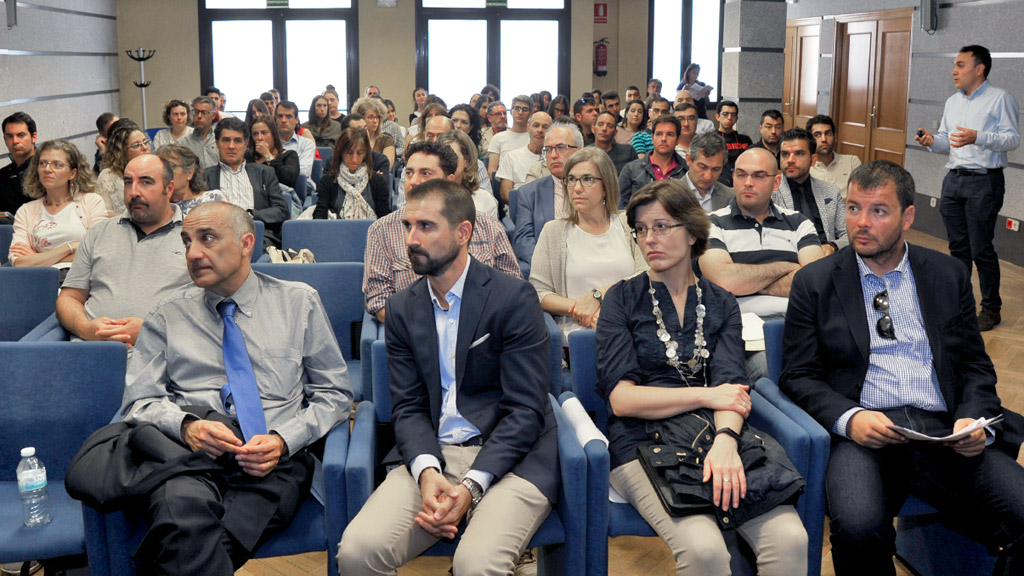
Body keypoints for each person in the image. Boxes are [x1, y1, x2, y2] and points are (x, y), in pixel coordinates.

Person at [780, 160, 1024, 576]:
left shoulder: (946, 274)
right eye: (854, 208)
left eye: (878, 211)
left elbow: (974, 364)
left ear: (908, 216)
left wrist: (973, 418)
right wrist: (850, 418)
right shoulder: (816, 282)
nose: (861, 222)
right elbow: (797, 375)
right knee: (857, 528)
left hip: (944, 432)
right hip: (863, 436)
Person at [116, 200, 352, 575]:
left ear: (246, 243)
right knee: (181, 516)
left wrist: (283, 439)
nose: (193, 253)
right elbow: (139, 401)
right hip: (190, 458)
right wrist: (186, 427)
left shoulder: (297, 303)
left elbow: (336, 394)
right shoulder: (167, 315)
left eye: (207, 238)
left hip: (274, 461)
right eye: (187, 241)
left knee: (194, 541)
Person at [338, 178, 558, 576]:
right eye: (408, 226)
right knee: (358, 551)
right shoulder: (403, 308)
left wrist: (472, 486)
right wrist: (426, 471)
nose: (411, 239)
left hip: (512, 456)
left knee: (476, 565)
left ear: (463, 232)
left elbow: (526, 410)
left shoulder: (512, 297)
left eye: (426, 226)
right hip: (435, 453)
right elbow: (408, 406)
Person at [596, 179, 808, 576]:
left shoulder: (721, 302)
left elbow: (732, 387)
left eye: (662, 226)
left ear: (692, 232)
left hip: (716, 434)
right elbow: (623, 400)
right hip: (641, 441)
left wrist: (727, 441)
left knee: (789, 539)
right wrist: (706, 397)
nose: (649, 239)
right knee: (705, 551)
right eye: (641, 229)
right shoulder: (621, 299)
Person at [915, 44, 1019, 331]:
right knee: (958, 247)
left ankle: (991, 309)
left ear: (979, 68)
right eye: (954, 65)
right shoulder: (953, 102)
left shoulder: (1001, 99)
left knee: (981, 248)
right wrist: (931, 141)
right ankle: (960, 305)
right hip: (954, 180)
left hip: (984, 181)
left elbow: (1012, 140)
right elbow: (947, 140)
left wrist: (979, 136)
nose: (954, 71)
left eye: (960, 65)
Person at [363, 141, 519, 323]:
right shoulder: (382, 230)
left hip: (482, 331)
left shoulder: (488, 227)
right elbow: (379, 302)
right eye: (409, 173)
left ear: (449, 181)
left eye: (425, 173)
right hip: (415, 334)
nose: (414, 182)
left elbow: (511, 287)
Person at [56, 154, 191, 346]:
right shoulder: (99, 233)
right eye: (128, 182)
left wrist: (153, 331)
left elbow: (212, 310)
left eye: (146, 182)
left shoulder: (194, 237)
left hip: (163, 353)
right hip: (92, 352)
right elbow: (69, 298)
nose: (134, 192)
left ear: (169, 189)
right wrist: (85, 328)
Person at [530, 147, 647, 340]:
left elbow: (646, 276)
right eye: (571, 179)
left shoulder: (629, 223)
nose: (576, 188)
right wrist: (582, 309)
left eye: (587, 179)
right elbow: (539, 292)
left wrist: (599, 296)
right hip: (579, 337)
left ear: (606, 186)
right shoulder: (554, 231)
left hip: (631, 331)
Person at [8, 140, 105, 277]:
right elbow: (19, 262)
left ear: (72, 173)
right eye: (42, 163)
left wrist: (39, 257)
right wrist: (70, 247)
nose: (47, 169)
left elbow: (99, 251)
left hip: (84, 277)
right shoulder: (26, 211)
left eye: (57, 165)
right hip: (42, 279)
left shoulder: (91, 201)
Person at [205, 117, 289, 249]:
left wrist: (250, 215)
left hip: (258, 238)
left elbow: (281, 211)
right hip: (217, 240)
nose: (231, 146)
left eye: (237, 141)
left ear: (246, 144)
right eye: (226, 140)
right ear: (217, 143)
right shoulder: (205, 176)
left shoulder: (265, 173)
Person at [512, 123, 583, 274]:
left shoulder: (596, 188)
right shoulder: (529, 193)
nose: (553, 155)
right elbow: (523, 241)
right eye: (548, 149)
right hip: (547, 269)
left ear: (579, 152)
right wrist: (549, 267)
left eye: (561, 147)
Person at [772, 128, 847, 256]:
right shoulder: (770, 192)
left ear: (813, 160)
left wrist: (832, 246)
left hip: (827, 259)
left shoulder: (831, 191)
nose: (790, 160)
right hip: (788, 261)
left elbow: (848, 234)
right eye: (785, 154)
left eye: (799, 153)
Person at [313, 127, 390, 220]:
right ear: (341, 152)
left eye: (360, 153)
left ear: (366, 154)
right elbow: (320, 215)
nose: (354, 159)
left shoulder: (378, 181)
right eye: (349, 153)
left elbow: (384, 218)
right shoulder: (327, 181)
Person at [619, 114, 687, 209]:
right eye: (659, 134)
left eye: (670, 134)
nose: (663, 139)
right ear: (652, 138)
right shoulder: (631, 169)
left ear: (678, 140)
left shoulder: (686, 171)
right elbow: (621, 207)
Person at [437, 129, 498, 220]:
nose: (446, 162)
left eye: (452, 156)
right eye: (441, 157)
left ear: (467, 161)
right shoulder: (425, 196)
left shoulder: (484, 201)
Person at [156, 144, 226, 216]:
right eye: (161, 168)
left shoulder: (212, 198)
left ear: (189, 173)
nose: (165, 172)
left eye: (171, 167)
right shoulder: (156, 206)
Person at [97, 126, 152, 215]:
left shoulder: (155, 170)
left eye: (145, 142)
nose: (145, 147)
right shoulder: (108, 176)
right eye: (136, 145)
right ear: (122, 151)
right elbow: (105, 213)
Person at [497, 112, 551, 203]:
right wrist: (525, 206)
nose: (540, 130)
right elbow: (505, 193)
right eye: (536, 125)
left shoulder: (554, 159)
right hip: (518, 207)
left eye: (545, 127)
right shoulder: (511, 157)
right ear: (528, 128)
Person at [806, 114, 860, 197]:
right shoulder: (805, 167)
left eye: (828, 134)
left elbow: (860, 195)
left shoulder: (852, 162)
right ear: (810, 140)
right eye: (817, 135)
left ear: (835, 137)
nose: (824, 139)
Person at [680, 131, 733, 213]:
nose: (708, 176)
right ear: (689, 160)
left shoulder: (730, 197)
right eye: (702, 167)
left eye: (716, 169)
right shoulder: (668, 195)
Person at [247, 115, 299, 190]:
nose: (259, 138)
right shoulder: (247, 158)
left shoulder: (289, 155)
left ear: (273, 134)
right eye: (255, 134)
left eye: (264, 133)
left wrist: (268, 156)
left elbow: (288, 180)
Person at [1, 112, 38, 216]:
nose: (15, 141)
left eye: (21, 135)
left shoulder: (49, 170)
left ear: (34, 137)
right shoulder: (3, 175)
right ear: (5, 139)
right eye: (9, 136)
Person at [488, 95, 533, 180]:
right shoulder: (498, 138)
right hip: (504, 184)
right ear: (511, 111)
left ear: (531, 114)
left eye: (524, 109)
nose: (520, 112)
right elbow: (492, 171)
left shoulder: (534, 138)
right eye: (517, 108)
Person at [275, 101, 316, 180]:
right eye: (280, 116)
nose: (283, 120)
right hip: (275, 188)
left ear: (296, 120)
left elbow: (303, 172)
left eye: (288, 116)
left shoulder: (306, 144)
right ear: (275, 119)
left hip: (300, 187)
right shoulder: (270, 144)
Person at [716, 101, 753, 187]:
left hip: (744, 179)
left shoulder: (745, 139)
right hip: (720, 179)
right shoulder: (710, 139)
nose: (729, 118)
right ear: (718, 117)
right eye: (725, 114)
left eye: (733, 115)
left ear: (736, 119)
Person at [592, 110, 638, 175]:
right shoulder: (585, 154)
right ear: (593, 129)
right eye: (600, 124)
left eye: (609, 126)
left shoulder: (628, 152)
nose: (604, 128)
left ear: (615, 132)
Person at [183, 96, 220, 171]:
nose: (199, 116)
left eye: (204, 113)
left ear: (213, 115)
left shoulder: (220, 140)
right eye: (196, 112)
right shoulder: (182, 143)